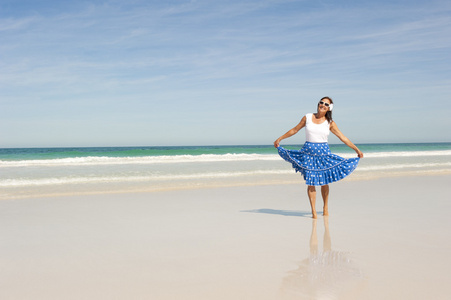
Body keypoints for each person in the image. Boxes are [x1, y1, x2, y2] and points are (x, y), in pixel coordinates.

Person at [274, 97, 363, 219]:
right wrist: (280, 138)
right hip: (308, 154)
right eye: (321, 102)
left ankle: (325, 207)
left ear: (329, 108)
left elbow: (343, 137)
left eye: (326, 104)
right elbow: (294, 129)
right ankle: (314, 212)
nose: (323, 105)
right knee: (311, 182)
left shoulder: (330, 123)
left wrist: (356, 149)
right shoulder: (308, 117)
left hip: (323, 155)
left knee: (324, 182)